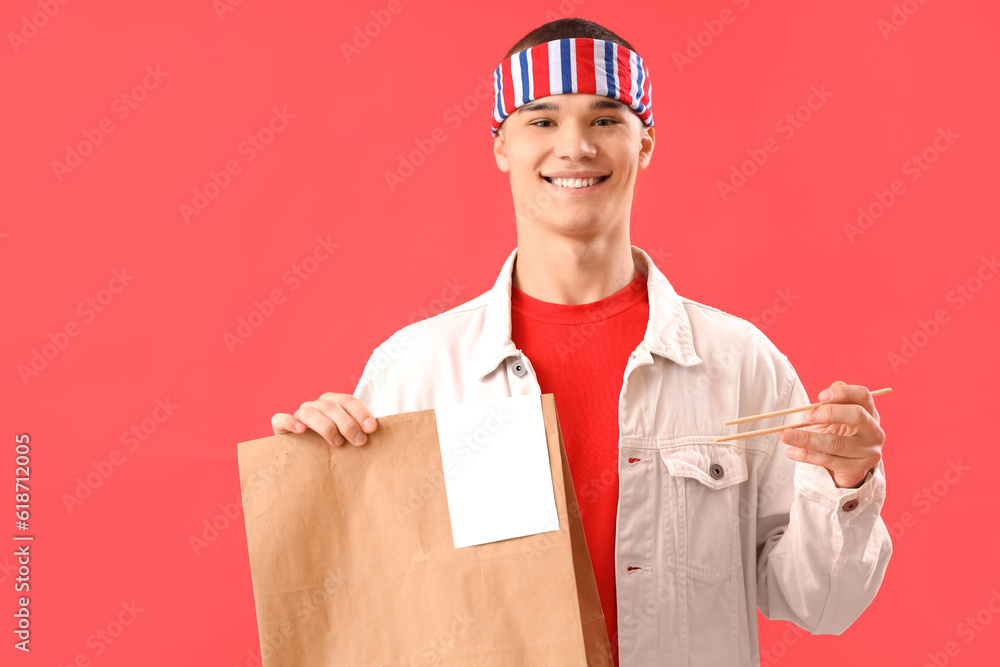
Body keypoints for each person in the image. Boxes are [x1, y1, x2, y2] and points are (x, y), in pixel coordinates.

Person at [271, 17, 892, 666]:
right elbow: (370, 610)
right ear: (500, 145)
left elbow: (825, 603)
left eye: (604, 119)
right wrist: (322, 484)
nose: (574, 146)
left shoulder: (739, 363)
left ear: (644, 143)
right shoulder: (415, 369)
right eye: (541, 120)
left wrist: (843, 482)